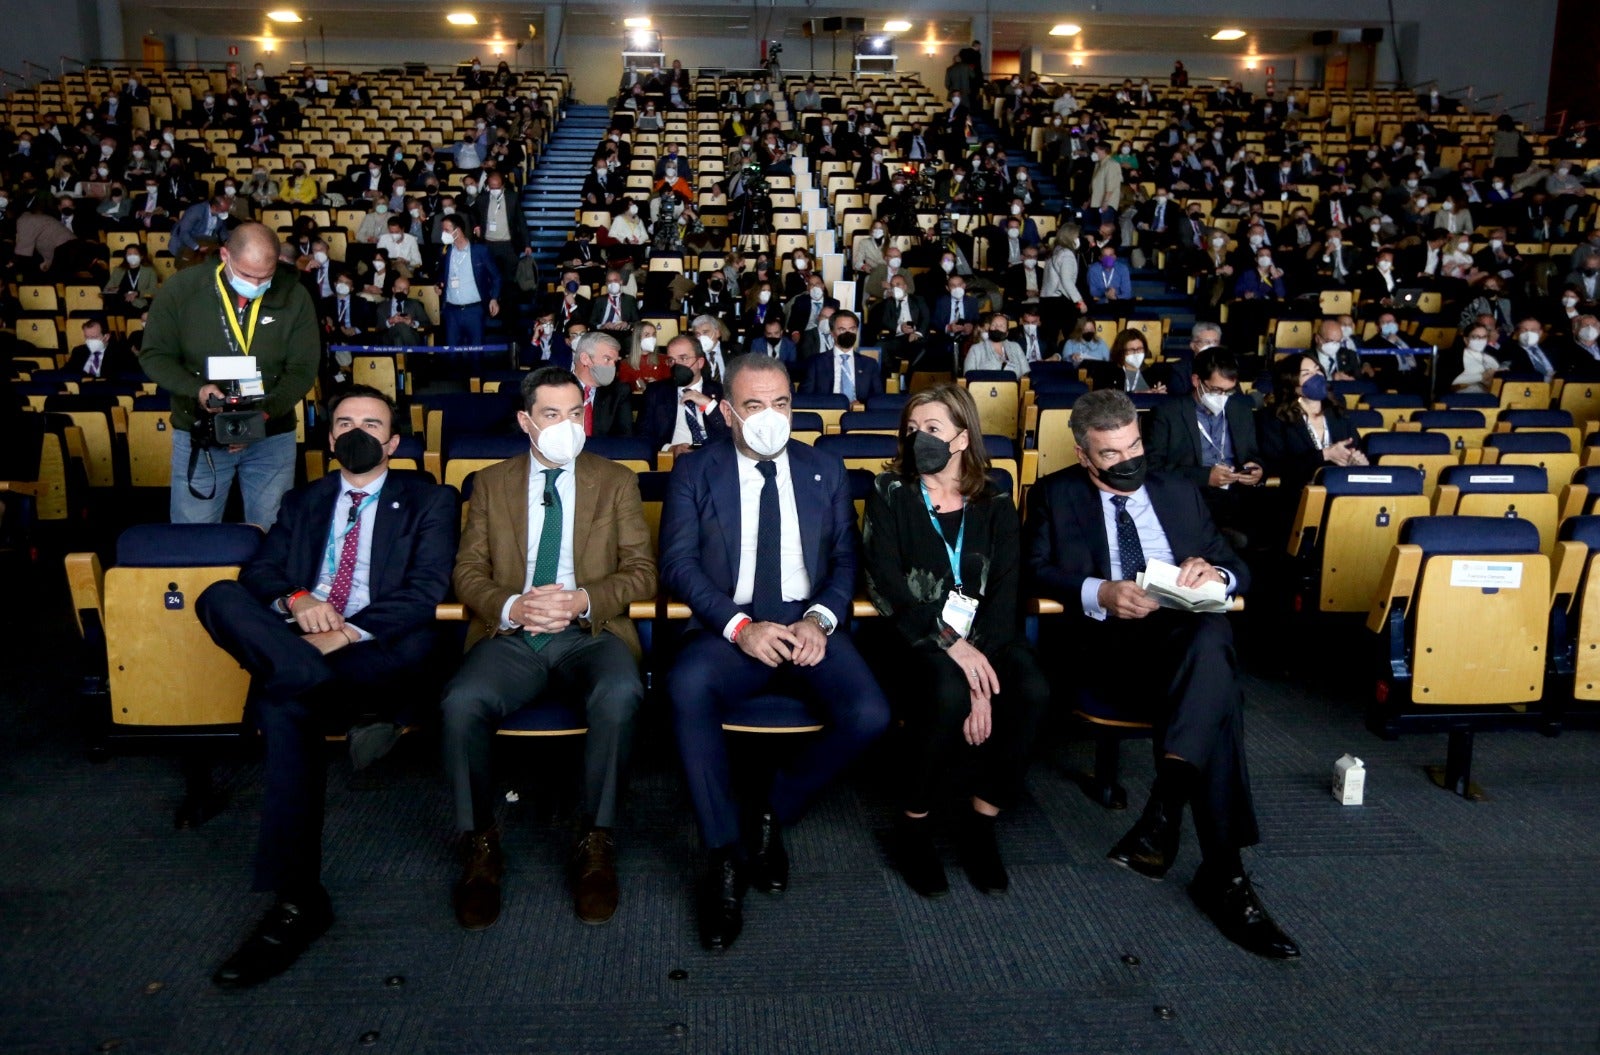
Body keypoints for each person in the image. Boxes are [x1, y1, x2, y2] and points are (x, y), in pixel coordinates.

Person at [195, 386, 459, 986]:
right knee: (220, 597)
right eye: (344, 422)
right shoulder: (305, 500)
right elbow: (261, 570)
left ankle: (297, 902)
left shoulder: (430, 498)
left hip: (377, 648)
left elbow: (425, 593)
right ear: (330, 437)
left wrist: (343, 634)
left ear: (393, 442)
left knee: (283, 701)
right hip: (303, 638)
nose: (357, 431)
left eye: (372, 422)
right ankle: (300, 898)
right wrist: (298, 599)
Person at [1024, 389, 1299, 959]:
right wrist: (1099, 591)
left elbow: (1236, 565)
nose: (1127, 460)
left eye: (1134, 445)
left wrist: (1213, 574)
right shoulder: (1055, 494)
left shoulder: (1176, 489)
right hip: (1105, 647)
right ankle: (1222, 874)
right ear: (1083, 455)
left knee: (1210, 636)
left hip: (1179, 635)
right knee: (1217, 687)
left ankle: (1166, 815)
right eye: (1110, 453)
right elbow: (1033, 572)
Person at [659, 354, 891, 950]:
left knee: (868, 715)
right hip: (729, 629)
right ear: (729, 412)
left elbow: (844, 558)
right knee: (685, 688)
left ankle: (771, 810)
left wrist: (820, 619)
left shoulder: (824, 468)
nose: (771, 417)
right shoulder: (695, 471)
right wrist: (741, 628)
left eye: (782, 404)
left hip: (807, 623)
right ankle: (724, 855)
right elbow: (679, 566)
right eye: (755, 406)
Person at [442, 367, 655, 929]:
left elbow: (640, 573)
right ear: (525, 421)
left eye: (574, 412)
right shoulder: (490, 483)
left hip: (591, 631)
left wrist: (584, 599)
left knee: (621, 690)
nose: (566, 425)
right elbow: (467, 572)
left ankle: (596, 839)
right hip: (514, 633)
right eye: (551, 414)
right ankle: (480, 842)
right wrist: (512, 605)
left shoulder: (615, 480)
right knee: (462, 702)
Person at [861, 385, 1049, 897]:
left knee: (1030, 688)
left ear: (962, 438)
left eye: (933, 429)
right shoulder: (890, 491)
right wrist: (952, 647)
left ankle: (981, 823)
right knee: (945, 689)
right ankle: (913, 824)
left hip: (986, 634)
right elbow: (886, 586)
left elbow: (1006, 590)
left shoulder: (995, 498)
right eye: (912, 429)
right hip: (915, 634)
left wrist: (980, 677)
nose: (918, 438)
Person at [140, 222, 319, 528]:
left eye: (266, 276)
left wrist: (262, 414)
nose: (257, 283)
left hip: (271, 437)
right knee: (193, 530)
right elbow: (155, 355)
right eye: (248, 275)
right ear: (224, 255)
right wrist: (197, 389)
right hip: (199, 431)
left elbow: (303, 369)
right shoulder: (182, 289)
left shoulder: (295, 295)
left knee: (272, 530)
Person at [1145, 348, 1263, 543]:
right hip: (1192, 495)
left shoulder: (1240, 409)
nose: (1222, 397)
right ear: (1196, 381)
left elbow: (1254, 453)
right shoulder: (1168, 413)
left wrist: (1256, 469)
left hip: (1238, 493)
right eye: (1216, 390)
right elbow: (1153, 467)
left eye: (1228, 391)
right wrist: (1205, 477)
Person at [1257, 352, 1367, 497]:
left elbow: (1357, 450)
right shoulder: (1274, 417)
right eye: (1307, 374)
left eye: (1317, 370)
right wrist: (1325, 455)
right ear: (1292, 384)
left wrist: (1358, 461)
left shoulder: (1338, 412)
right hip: (1296, 495)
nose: (1316, 377)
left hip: (1341, 492)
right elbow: (1275, 466)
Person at [637, 334, 728, 454]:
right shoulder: (656, 392)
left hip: (713, 459)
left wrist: (709, 404)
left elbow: (730, 433)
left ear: (700, 362)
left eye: (683, 358)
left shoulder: (721, 391)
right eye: (671, 360)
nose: (677, 365)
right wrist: (669, 449)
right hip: (672, 461)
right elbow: (642, 435)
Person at [437, 213, 500, 346]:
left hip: (474, 310)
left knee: (476, 353)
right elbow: (441, 274)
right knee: (452, 354)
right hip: (451, 310)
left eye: (446, 230)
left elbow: (496, 276)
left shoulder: (480, 251)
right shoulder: (445, 251)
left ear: (458, 231)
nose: (443, 234)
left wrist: (494, 298)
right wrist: (439, 284)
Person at [798, 310, 882, 401]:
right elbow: (804, 398)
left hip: (859, 413)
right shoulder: (816, 363)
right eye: (842, 329)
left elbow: (878, 399)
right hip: (827, 411)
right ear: (832, 332)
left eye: (852, 329)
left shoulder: (870, 364)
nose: (848, 333)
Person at [571, 331, 632, 437]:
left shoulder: (619, 392)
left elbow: (624, 440)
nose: (612, 366)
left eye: (615, 362)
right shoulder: (554, 388)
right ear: (585, 359)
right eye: (607, 359)